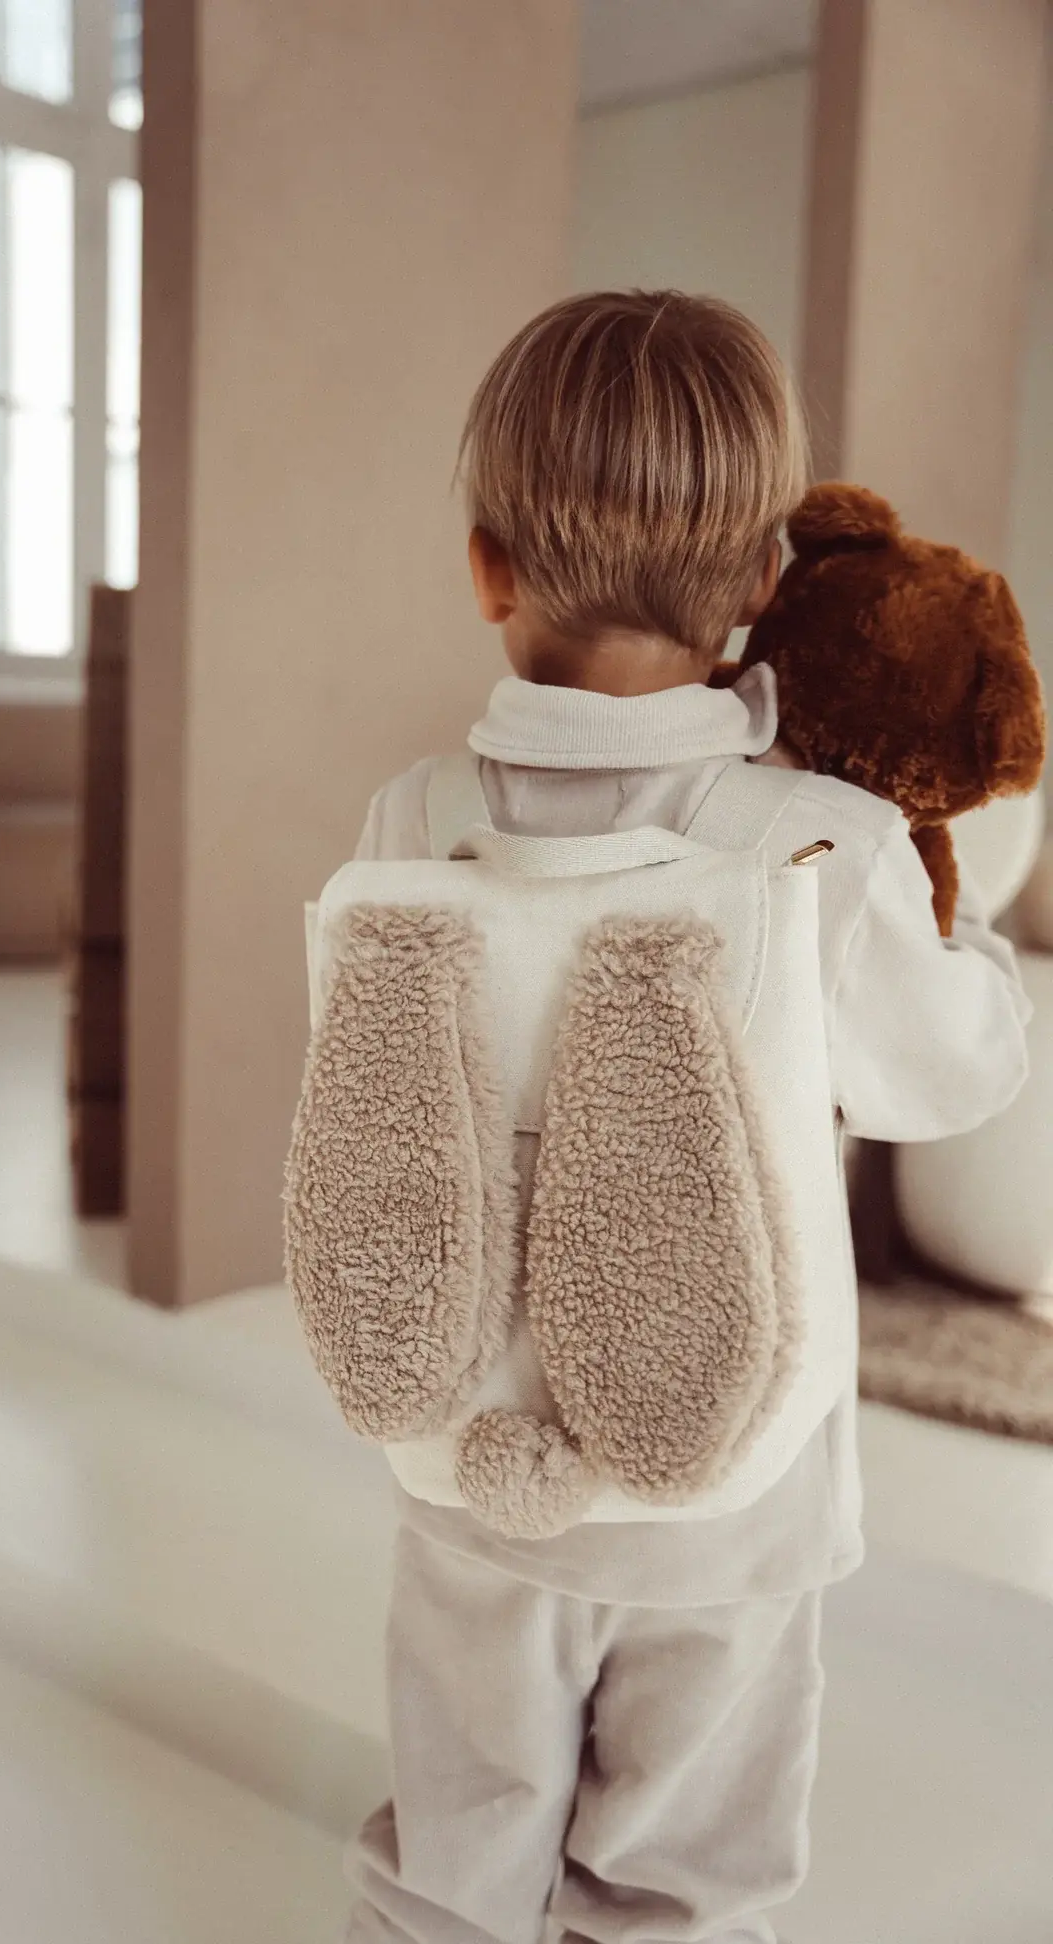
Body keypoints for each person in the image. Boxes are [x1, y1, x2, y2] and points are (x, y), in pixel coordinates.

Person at [342, 291, 1030, 1944]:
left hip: (468, 1464)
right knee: (685, 1872)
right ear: (756, 590)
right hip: (733, 1485)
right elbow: (951, 1074)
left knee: (457, 1841)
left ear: (488, 565)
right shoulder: (818, 844)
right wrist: (965, 937)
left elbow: (381, 1113)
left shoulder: (410, 816)